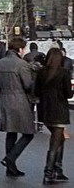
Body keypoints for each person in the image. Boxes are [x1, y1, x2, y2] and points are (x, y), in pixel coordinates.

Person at [0, 37, 36, 178]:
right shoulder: (21, 64)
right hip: (20, 100)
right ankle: (10, 158)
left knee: (11, 132)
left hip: (5, 100)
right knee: (28, 133)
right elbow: (28, 85)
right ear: (19, 49)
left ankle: (10, 167)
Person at [35, 48, 73, 184]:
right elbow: (69, 94)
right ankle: (49, 172)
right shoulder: (64, 73)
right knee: (55, 142)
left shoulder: (41, 73)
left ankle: (58, 170)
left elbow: (36, 91)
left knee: (60, 139)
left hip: (45, 111)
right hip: (59, 111)